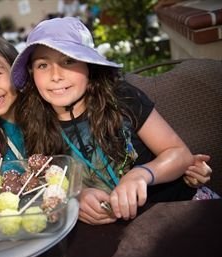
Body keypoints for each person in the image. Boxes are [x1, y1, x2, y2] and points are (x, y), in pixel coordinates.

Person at [11, 17, 217, 225]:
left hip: (177, 209)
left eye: (68, 60)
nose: (55, 76)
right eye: (43, 65)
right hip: (113, 235)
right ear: (31, 73)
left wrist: (141, 174)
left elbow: (179, 154)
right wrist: (76, 196)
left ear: (89, 65)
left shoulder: (121, 97)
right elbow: (47, 181)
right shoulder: (34, 122)